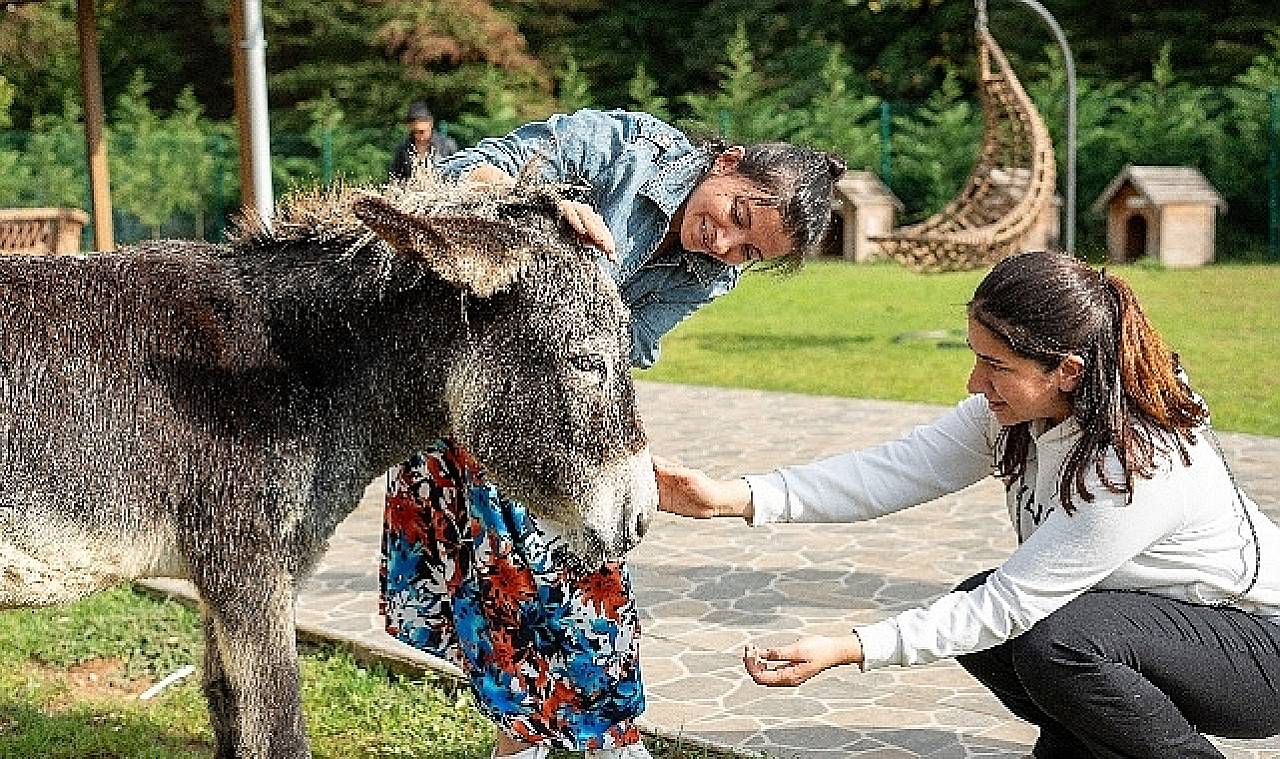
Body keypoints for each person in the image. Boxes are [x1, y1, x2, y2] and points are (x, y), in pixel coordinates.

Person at [655, 251, 1280, 758]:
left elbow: (1007, 607)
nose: (975, 383)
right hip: (1158, 631)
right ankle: (1083, 747)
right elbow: (890, 473)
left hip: (1259, 652)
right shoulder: (1020, 415)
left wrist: (850, 645)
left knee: (1050, 636)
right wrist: (730, 498)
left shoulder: (1137, 462)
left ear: (1064, 369)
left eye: (993, 364)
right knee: (990, 614)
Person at [379, 108, 845, 759]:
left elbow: (632, 347)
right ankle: (590, 738)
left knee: (566, 559)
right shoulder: (620, 146)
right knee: (520, 567)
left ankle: (540, 737)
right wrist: (539, 206)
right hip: (466, 375)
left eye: (749, 251)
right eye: (736, 217)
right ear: (728, 159)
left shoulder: (711, 272)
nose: (724, 247)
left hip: (555, 409)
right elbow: (452, 174)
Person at [389, 101, 459, 180]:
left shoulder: (447, 145)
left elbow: (456, 174)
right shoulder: (403, 148)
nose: (418, 136)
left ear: (431, 123)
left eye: (422, 132)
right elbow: (395, 177)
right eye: (414, 132)